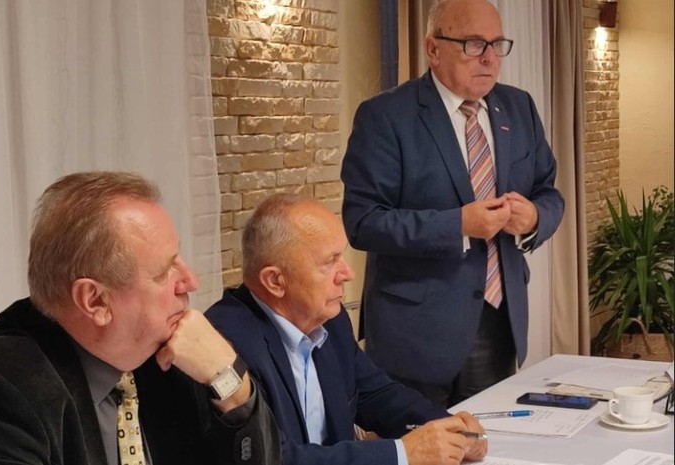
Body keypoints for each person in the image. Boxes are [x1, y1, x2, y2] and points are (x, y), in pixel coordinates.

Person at [0, 171, 280, 465]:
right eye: (165, 271)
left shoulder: (170, 354)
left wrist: (228, 378)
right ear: (95, 300)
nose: (190, 282)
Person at [340, 0, 565, 407]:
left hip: (498, 322)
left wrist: (534, 217)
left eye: (497, 44)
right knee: (423, 440)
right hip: (414, 333)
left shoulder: (520, 107)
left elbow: (548, 192)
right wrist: (457, 225)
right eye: (474, 44)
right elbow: (363, 221)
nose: (490, 58)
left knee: (487, 439)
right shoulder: (386, 116)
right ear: (433, 48)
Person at [206, 194, 487, 465]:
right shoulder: (224, 345)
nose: (347, 274)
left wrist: (450, 429)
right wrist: (401, 454)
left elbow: (377, 395)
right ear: (275, 281)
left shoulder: (330, 319)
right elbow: (274, 457)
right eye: (329, 262)